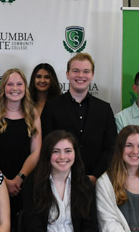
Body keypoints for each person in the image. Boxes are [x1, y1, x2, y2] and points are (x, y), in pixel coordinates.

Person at [41, 53, 116, 184]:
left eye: (86, 71)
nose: (81, 75)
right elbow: (46, 145)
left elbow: (111, 147)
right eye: (76, 71)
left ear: (92, 75)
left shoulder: (104, 109)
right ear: (67, 74)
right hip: (60, 180)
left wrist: (95, 175)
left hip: (96, 182)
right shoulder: (52, 107)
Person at [0, 68, 41, 217]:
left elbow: (36, 152)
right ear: (3, 88)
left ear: (25, 87)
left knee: (24, 227)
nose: (15, 88)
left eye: (19, 84)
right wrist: (3, 180)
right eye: (10, 84)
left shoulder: (33, 114)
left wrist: (19, 178)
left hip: (25, 182)